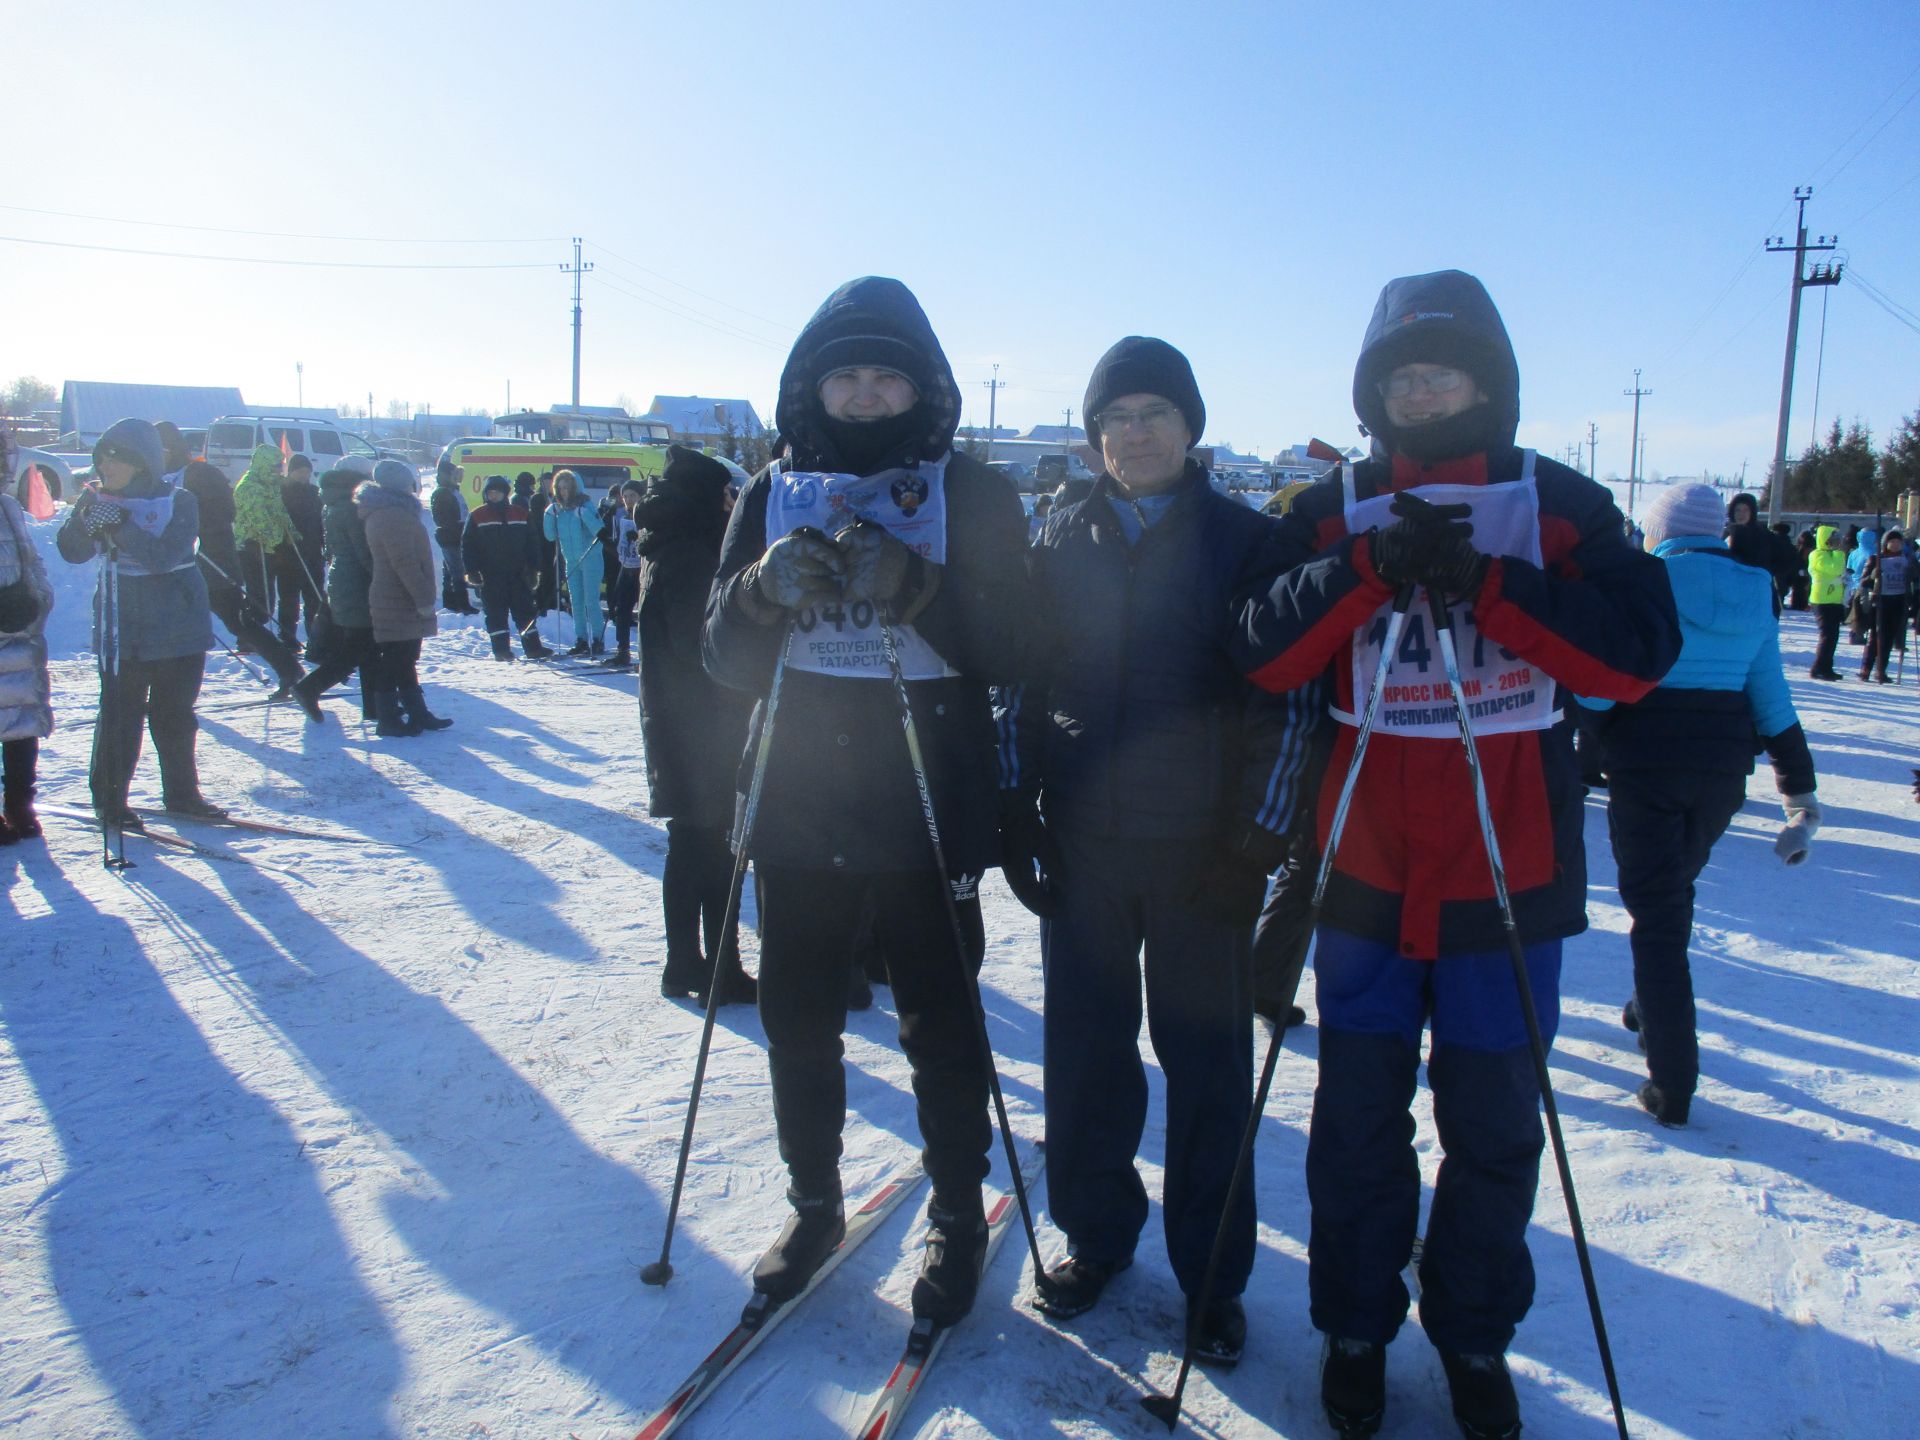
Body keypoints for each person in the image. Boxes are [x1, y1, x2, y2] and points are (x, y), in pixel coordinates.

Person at [1226, 270, 1681, 1439]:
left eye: (1447, 372)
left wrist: (1492, 585)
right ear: (1376, 392)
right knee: (1359, 1125)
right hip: (1367, 881)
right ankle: (1357, 1324)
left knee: (1493, 1129)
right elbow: (1262, 648)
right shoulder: (1332, 503)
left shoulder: (1560, 502)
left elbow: (1636, 655)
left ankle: (1473, 1332)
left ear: (1490, 382)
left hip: (1507, 884)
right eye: (1403, 376)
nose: (1424, 393)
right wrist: (1364, 572)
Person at [702, 276, 1029, 1331]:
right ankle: (813, 1204)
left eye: (888, 375)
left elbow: (1024, 648)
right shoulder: (768, 488)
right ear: (812, 385)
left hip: (928, 804)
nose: (866, 394)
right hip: (802, 804)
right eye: (845, 374)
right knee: (798, 1020)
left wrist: (921, 588)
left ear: (921, 386)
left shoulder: (972, 493)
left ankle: (955, 1213)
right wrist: (756, 594)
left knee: (940, 1026)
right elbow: (718, 658)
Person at [992, 336, 1304, 1367]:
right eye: (1116, 417)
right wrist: (1019, 811)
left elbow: (1288, 699)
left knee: (1207, 1067)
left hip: (1200, 852)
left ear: (1190, 427)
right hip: (1084, 841)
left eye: (1154, 413)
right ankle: (1097, 1234)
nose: (1135, 433)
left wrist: (1254, 841)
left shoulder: (1245, 542)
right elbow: (1021, 684)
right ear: (1093, 439)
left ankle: (1213, 1277)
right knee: (1085, 1054)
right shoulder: (1058, 536)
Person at [1580, 483, 1819, 1128]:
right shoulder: (1754, 586)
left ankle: (1673, 1079)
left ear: (1659, 530)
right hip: (1720, 774)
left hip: (1646, 764)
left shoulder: (1645, 580)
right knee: (1670, 893)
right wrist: (1799, 788)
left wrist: (1580, 744)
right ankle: (1645, 1005)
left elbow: (1604, 686)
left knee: (1657, 916)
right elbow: (1770, 693)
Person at [57, 419, 224, 824]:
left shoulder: (179, 500)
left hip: (178, 627)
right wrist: (85, 522)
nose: (105, 468)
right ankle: (110, 801)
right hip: (123, 627)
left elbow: (163, 557)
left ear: (141, 463)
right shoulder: (97, 499)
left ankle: (182, 795)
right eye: (101, 460)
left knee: (175, 715)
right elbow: (71, 551)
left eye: (114, 460)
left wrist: (122, 526)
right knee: (119, 716)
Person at [637, 447, 756, 1003]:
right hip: (702, 727)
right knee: (710, 847)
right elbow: (701, 651)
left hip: (681, 723)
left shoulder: (671, 545)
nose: (734, 505)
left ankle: (689, 963)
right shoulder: (691, 555)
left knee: (692, 846)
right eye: (729, 496)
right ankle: (714, 968)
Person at [154, 422, 314, 713]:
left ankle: (288, 669)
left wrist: (199, 539)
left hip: (209, 560)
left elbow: (224, 515)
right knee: (172, 622)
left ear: (167, 449)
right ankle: (168, 690)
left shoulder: (199, 474)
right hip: (172, 563)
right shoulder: (158, 477)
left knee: (236, 619)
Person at [358, 460, 451, 736]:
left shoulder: (387, 511)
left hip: (395, 595)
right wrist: (423, 599)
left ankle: (417, 713)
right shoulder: (393, 515)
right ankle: (388, 718)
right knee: (397, 657)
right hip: (397, 597)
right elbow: (404, 563)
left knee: (403, 656)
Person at [293, 463, 378, 721]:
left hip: (342, 581)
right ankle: (308, 688)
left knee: (364, 646)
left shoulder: (332, 507)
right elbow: (363, 553)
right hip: (356, 584)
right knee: (360, 647)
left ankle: (375, 707)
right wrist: (382, 574)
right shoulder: (351, 511)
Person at [0, 477, 53, 843]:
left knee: (21, 723)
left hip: (16, 629)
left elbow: (29, 559)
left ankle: (20, 805)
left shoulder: (7, 506)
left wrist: (39, 599)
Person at [462, 474, 550, 660]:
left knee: (525, 612)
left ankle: (533, 648)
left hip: (518, 573)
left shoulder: (520, 513)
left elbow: (532, 542)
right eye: (491, 493)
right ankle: (501, 651)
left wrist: (534, 568)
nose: (494, 496)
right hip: (491, 575)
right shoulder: (477, 515)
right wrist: (472, 571)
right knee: (495, 614)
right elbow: (468, 546)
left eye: (498, 493)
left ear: (505, 494)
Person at [231, 445, 295, 633]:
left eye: (281, 465)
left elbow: (280, 512)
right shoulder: (249, 487)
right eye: (276, 466)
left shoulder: (272, 484)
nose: (280, 470)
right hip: (252, 546)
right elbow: (260, 520)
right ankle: (247, 635)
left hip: (270, 548)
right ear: (265, 465)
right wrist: (278, 540)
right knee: (260, 598)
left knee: (266, 597)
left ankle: (253, 633)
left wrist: (291, 533)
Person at [542, 470, 606, 655]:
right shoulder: (558, 510)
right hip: (571, 560)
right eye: (560, 488)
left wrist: (584, 515)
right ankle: (581, 639)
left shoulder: (586, 506)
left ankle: (598, 638)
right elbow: (550, 536)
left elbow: (599, 531)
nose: (563, 492)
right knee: (576, 601)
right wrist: (548, 515)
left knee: (591, 601)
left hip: (590, 559)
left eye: (567, 488)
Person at [277, 454, 325, 650]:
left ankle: (316, 638)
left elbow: (322, 523)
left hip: (313, 552)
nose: (304, 476)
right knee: (289, 598)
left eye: (307, 472)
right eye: (300, 472)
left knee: (314, 598)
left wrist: (324, 545)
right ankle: (287, 637)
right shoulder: (281, 492)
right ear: (291, 472)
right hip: (288, 554)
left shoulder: (316, 493)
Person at [1723, 491, 1793, 614]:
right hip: (1729, 593)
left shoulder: (1764, 535)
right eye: (1738, 510)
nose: (1741, 514)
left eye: (1745, 510)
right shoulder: (1724, 534)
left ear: (1752, 512)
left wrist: (1766, 574)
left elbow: (1785, 561)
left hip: (1758, 593)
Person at [1856, 529, 1911, 682]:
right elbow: (1864, 581)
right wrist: (1874, 574)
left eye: (1898, 543)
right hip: (1880, 602)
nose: (1895, 545)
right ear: (1885, 543)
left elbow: (1915, 578)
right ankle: (1865, 669)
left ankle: (1881, 671)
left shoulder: (1906, 559)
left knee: (1889, 639)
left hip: (1898, 602)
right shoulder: (1876, 559)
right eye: (1892, 542)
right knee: (1875, 637)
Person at [603, 480, 645, 667]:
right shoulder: (622, 515)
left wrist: (640, 537)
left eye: (632, 496)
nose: (628, 500)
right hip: (626, 567)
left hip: (641, 570)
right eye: (625, 496)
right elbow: (617, 544)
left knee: (643, 614)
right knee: (622, 610)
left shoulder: (646, 514)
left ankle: (645, 654)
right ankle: (623, 651)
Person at [430, 461, 477, 613]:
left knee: (450, 571)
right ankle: (462, 604)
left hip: (454, 535)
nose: (458, 478)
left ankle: (450, 603)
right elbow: (443, 519)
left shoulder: (451, 491)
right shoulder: (442, 493)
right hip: (451, 537)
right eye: (455, 475)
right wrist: (458, 528)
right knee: (457, 571)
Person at [1807, 524, 1849, 680]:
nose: (1836, 543)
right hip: (1822, 601)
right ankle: (1818, 668)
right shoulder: (1817, 555)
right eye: (1833, 540)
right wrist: (1839, 554)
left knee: (1833, 636)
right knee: (1827, 636)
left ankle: (1827, 667)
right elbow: (1835, 569)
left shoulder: (1833, 555)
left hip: (1835, 600)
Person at [530, 470, 558, 615]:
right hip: (541, 540)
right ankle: (541, 602)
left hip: (551, 541)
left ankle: (550, 601)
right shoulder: (538, 498)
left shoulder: (554, 498)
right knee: (545, 572)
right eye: (548, 481)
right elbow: (538, 519)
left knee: (552, 574)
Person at [1789, 527, 1815, 610]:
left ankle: (1800, 605)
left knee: (1800, 588)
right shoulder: (1809, 551)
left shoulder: (1799, 550)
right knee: (1802, 588)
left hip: (1800, 575)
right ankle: (1802, 605)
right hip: (1803, 575)